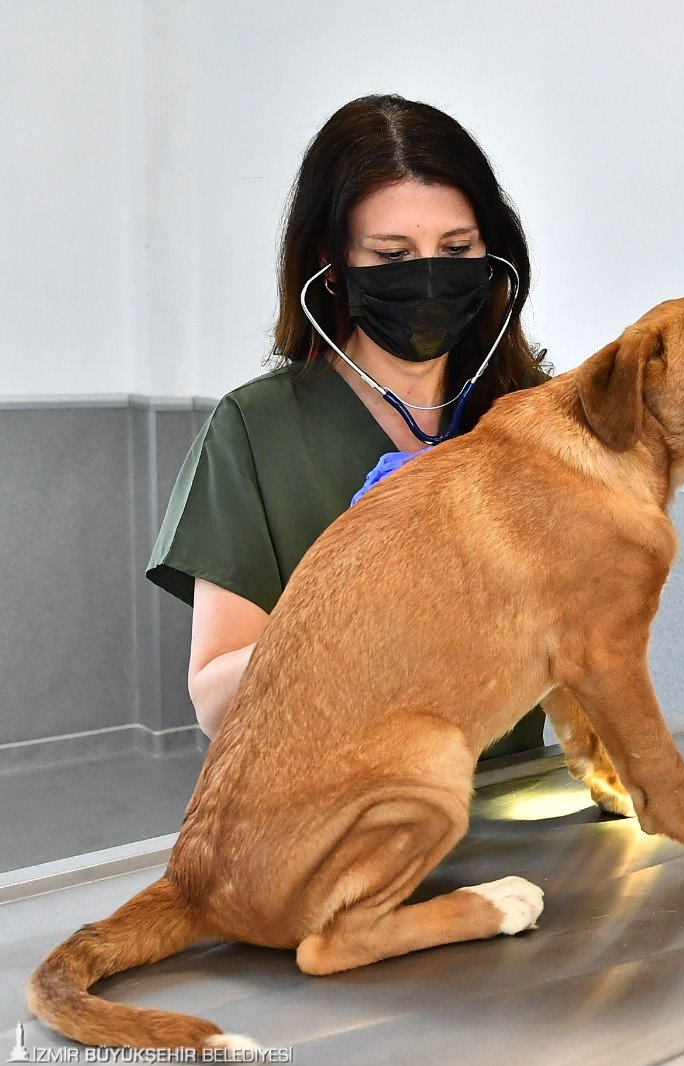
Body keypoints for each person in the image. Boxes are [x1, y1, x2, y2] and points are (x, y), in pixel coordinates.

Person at [148, 95, 550, 757]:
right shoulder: (257, 429)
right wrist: (353, 610)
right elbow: (218, 706)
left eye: (456, 248)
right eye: (393, 256)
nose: (428, 278)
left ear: (491, 253)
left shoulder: (532, 417)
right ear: (331, 267)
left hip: (513, 811)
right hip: (334, 824)